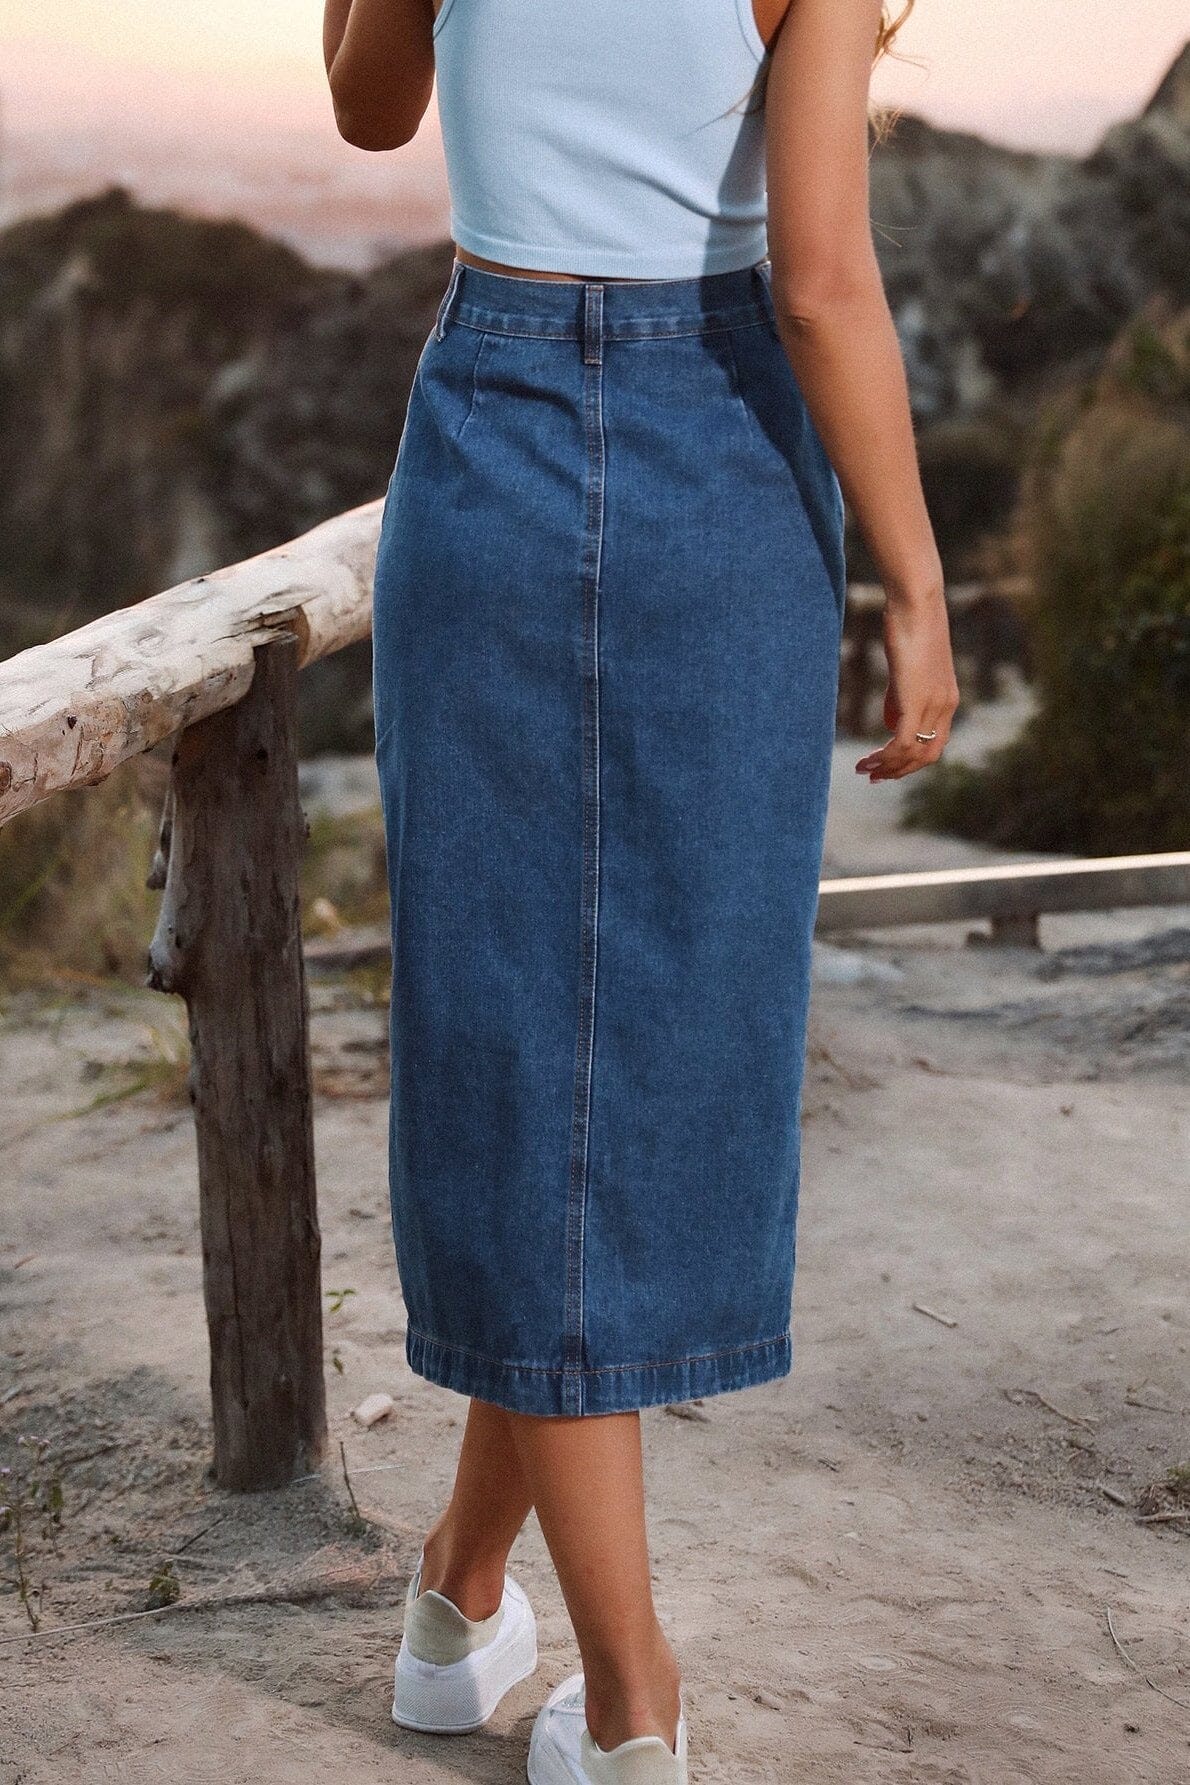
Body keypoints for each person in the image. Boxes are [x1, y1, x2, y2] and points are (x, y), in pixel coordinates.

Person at [324, 1, 959, 1778]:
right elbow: (823, 277)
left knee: (539, 1066)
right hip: (725, 467)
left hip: (495, 448)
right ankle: (629, 1703)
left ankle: (457, 1597)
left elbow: (372, 109)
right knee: (632, 1063)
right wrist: (916, 581)